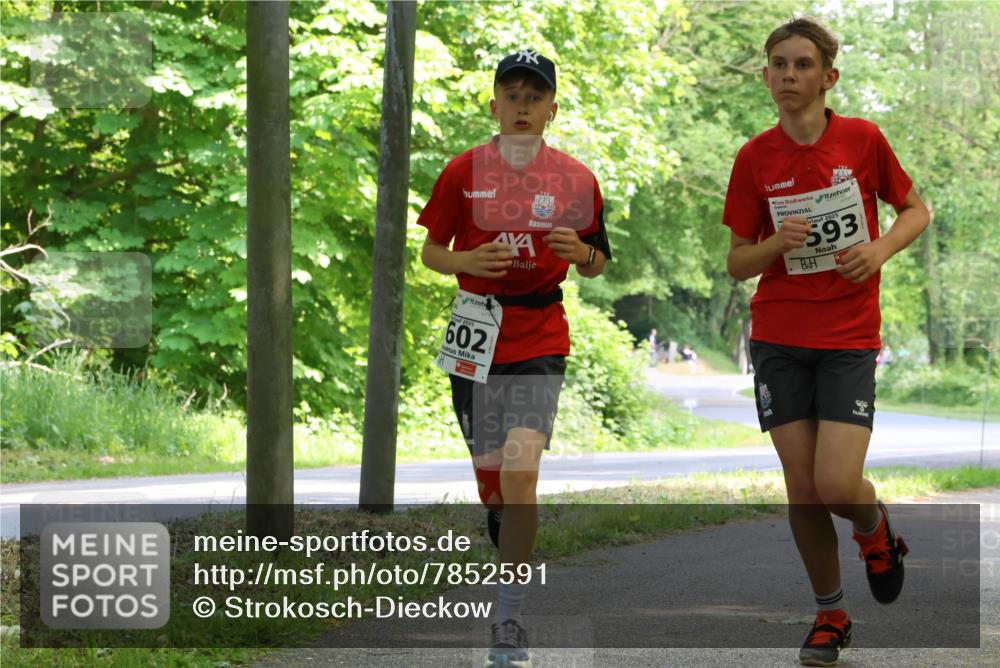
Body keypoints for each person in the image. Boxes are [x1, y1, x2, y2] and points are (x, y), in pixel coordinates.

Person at [722, 17, 930, 667]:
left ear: (827, 76)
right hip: (780, 337)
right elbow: (736, 262)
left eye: (803, 64)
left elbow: (915, 210)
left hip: (846, 334)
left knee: (838, 483)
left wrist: (879, 250)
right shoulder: (754, 158)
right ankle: (831, 615)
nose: (789, 74)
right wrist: (774, 245)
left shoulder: (863, 140)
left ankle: (875, 531)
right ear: (765, 76)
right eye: (778, 64)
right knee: (803, 490)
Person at [418, 48, 611, 668]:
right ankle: (503, 523)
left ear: (552, 109)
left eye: (535, 97)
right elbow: (431, 252)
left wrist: (580, 252)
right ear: (494, 104)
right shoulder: (462, 170)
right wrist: (466, 263)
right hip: (476, 334)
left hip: (539, 334)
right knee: (495, 483)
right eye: (512, 95)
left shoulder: (576, 178)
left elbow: (600, 260)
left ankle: (508, 615)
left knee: (522, 472)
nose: (523, 107)